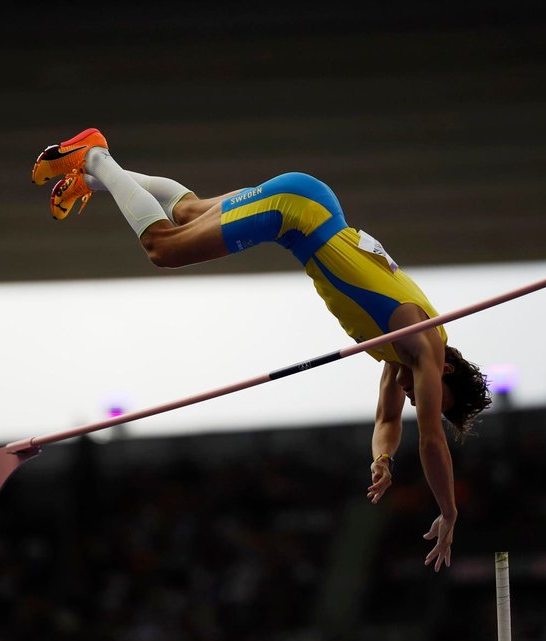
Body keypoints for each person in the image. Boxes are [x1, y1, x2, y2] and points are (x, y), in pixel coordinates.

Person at [31, 128, 491, 572]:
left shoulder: (402, 356)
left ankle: (91, 177)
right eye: (424, 395)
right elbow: (430, 438)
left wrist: (382, 459)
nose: (414, 396)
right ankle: (95, 156)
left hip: (308, 208)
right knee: (164, 248)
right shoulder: (425, 345)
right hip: (297, 213)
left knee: (188, 213)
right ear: (447, 370)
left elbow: (388, 421)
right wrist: (449, 510)